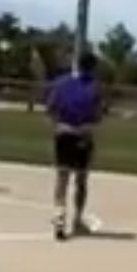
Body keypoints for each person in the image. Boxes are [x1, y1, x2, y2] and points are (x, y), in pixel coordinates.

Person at [47, 49, 102, 241]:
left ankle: (59, 217)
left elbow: (51, 108)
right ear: (93, 67)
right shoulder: (94, 87)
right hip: (83, 136)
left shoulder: (61, 83)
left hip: (64, 133)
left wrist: (59, 123)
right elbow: (97, 115)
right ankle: (77, 219)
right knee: (81, 180)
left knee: (62, 178)